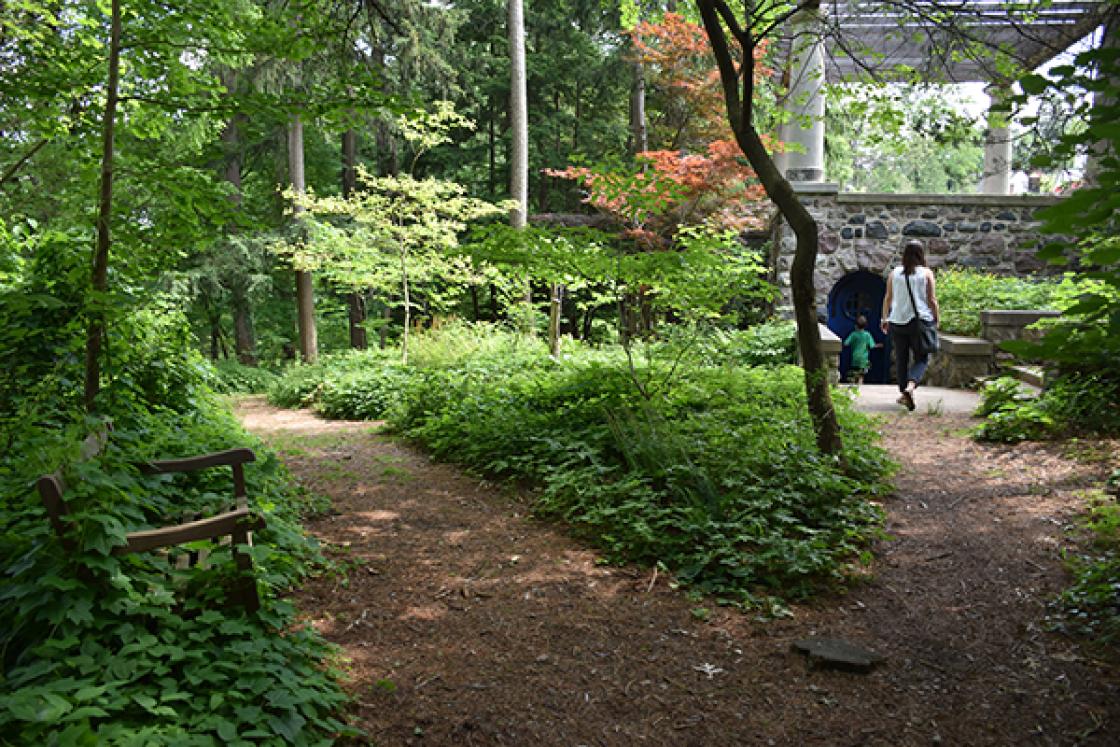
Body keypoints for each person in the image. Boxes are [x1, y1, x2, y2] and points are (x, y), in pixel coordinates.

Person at [880, 240, 940, 411]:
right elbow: (932, 300)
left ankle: (903, 393)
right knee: (922, 357)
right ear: (921, 254)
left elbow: (888, 298)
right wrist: (936, 318)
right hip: (919, 321)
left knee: (901, 358)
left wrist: (884, 319)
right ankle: (911, 386)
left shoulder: (894, 273)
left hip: (897, 321)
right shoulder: (926, 273)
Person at [843, 315, 877, 385]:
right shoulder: (867, 335)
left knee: (854, 374)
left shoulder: (853, 334)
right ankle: (860, 386)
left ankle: (854, 387)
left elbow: (846, 343)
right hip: (864, 360)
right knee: (861, 375)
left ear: (855, 326)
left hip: (855, 358)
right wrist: (879, 345)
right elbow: (872, 346)